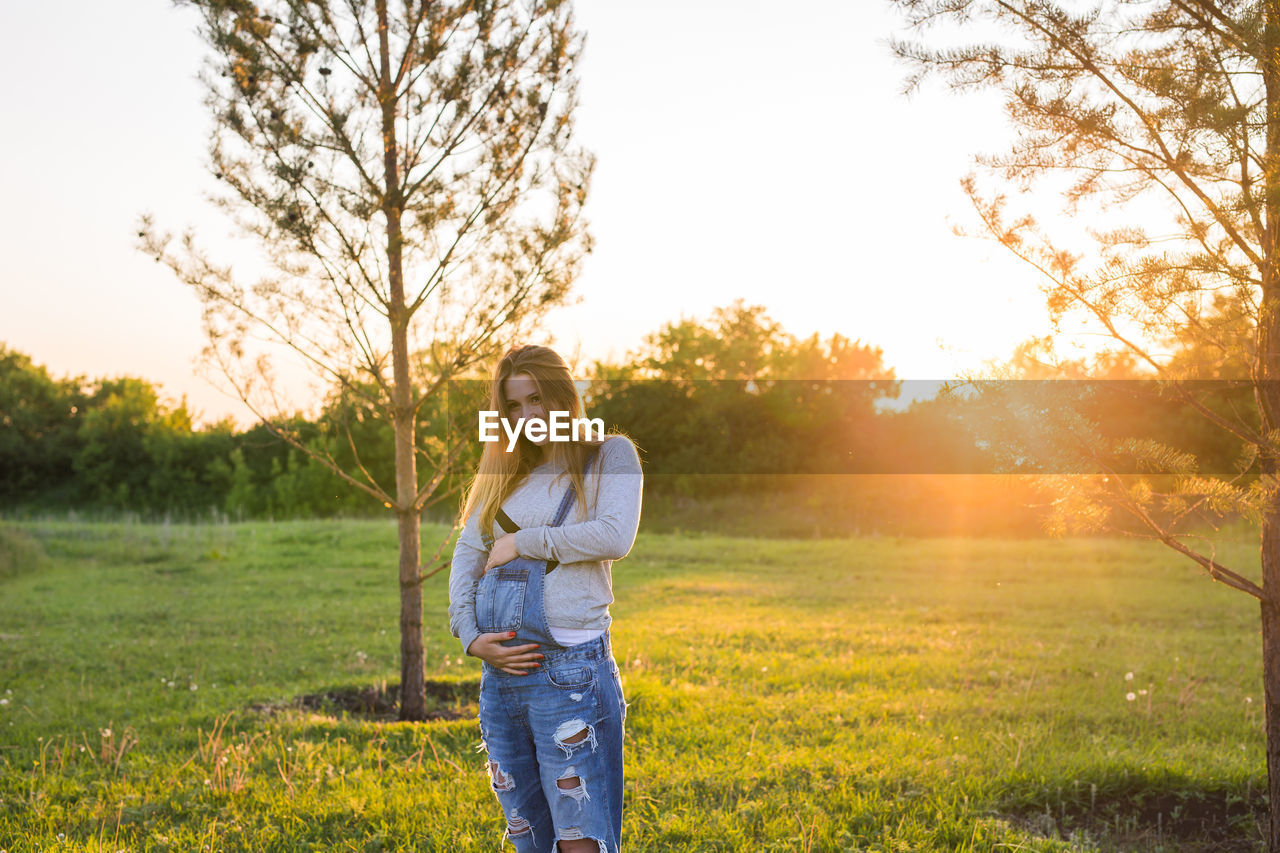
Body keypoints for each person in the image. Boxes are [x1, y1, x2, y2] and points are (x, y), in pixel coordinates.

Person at [448, 344, 643, 853]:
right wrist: (471, 638)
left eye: (537, 398)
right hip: (501, 682)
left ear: (563, 396)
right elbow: (467, 557)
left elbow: (615, 536)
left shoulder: (607, 455)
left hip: (571, 674)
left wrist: (523, 541)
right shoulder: (504, 474)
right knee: (527, 837)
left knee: (581, 838)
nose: (528, 415)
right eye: (514, 406)